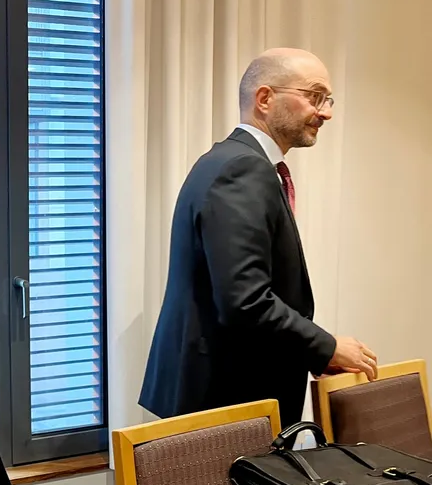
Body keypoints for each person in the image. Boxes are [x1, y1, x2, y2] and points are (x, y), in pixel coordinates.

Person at [140, 48, 377, 427]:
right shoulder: (243, 169)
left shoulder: (232, 161)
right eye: (314, 96)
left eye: (328, 100)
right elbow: (246, 302)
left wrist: (314, 354)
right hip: (227, 402)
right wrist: (327, 347)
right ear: (264, 98)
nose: (326, 112)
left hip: (225, 394)